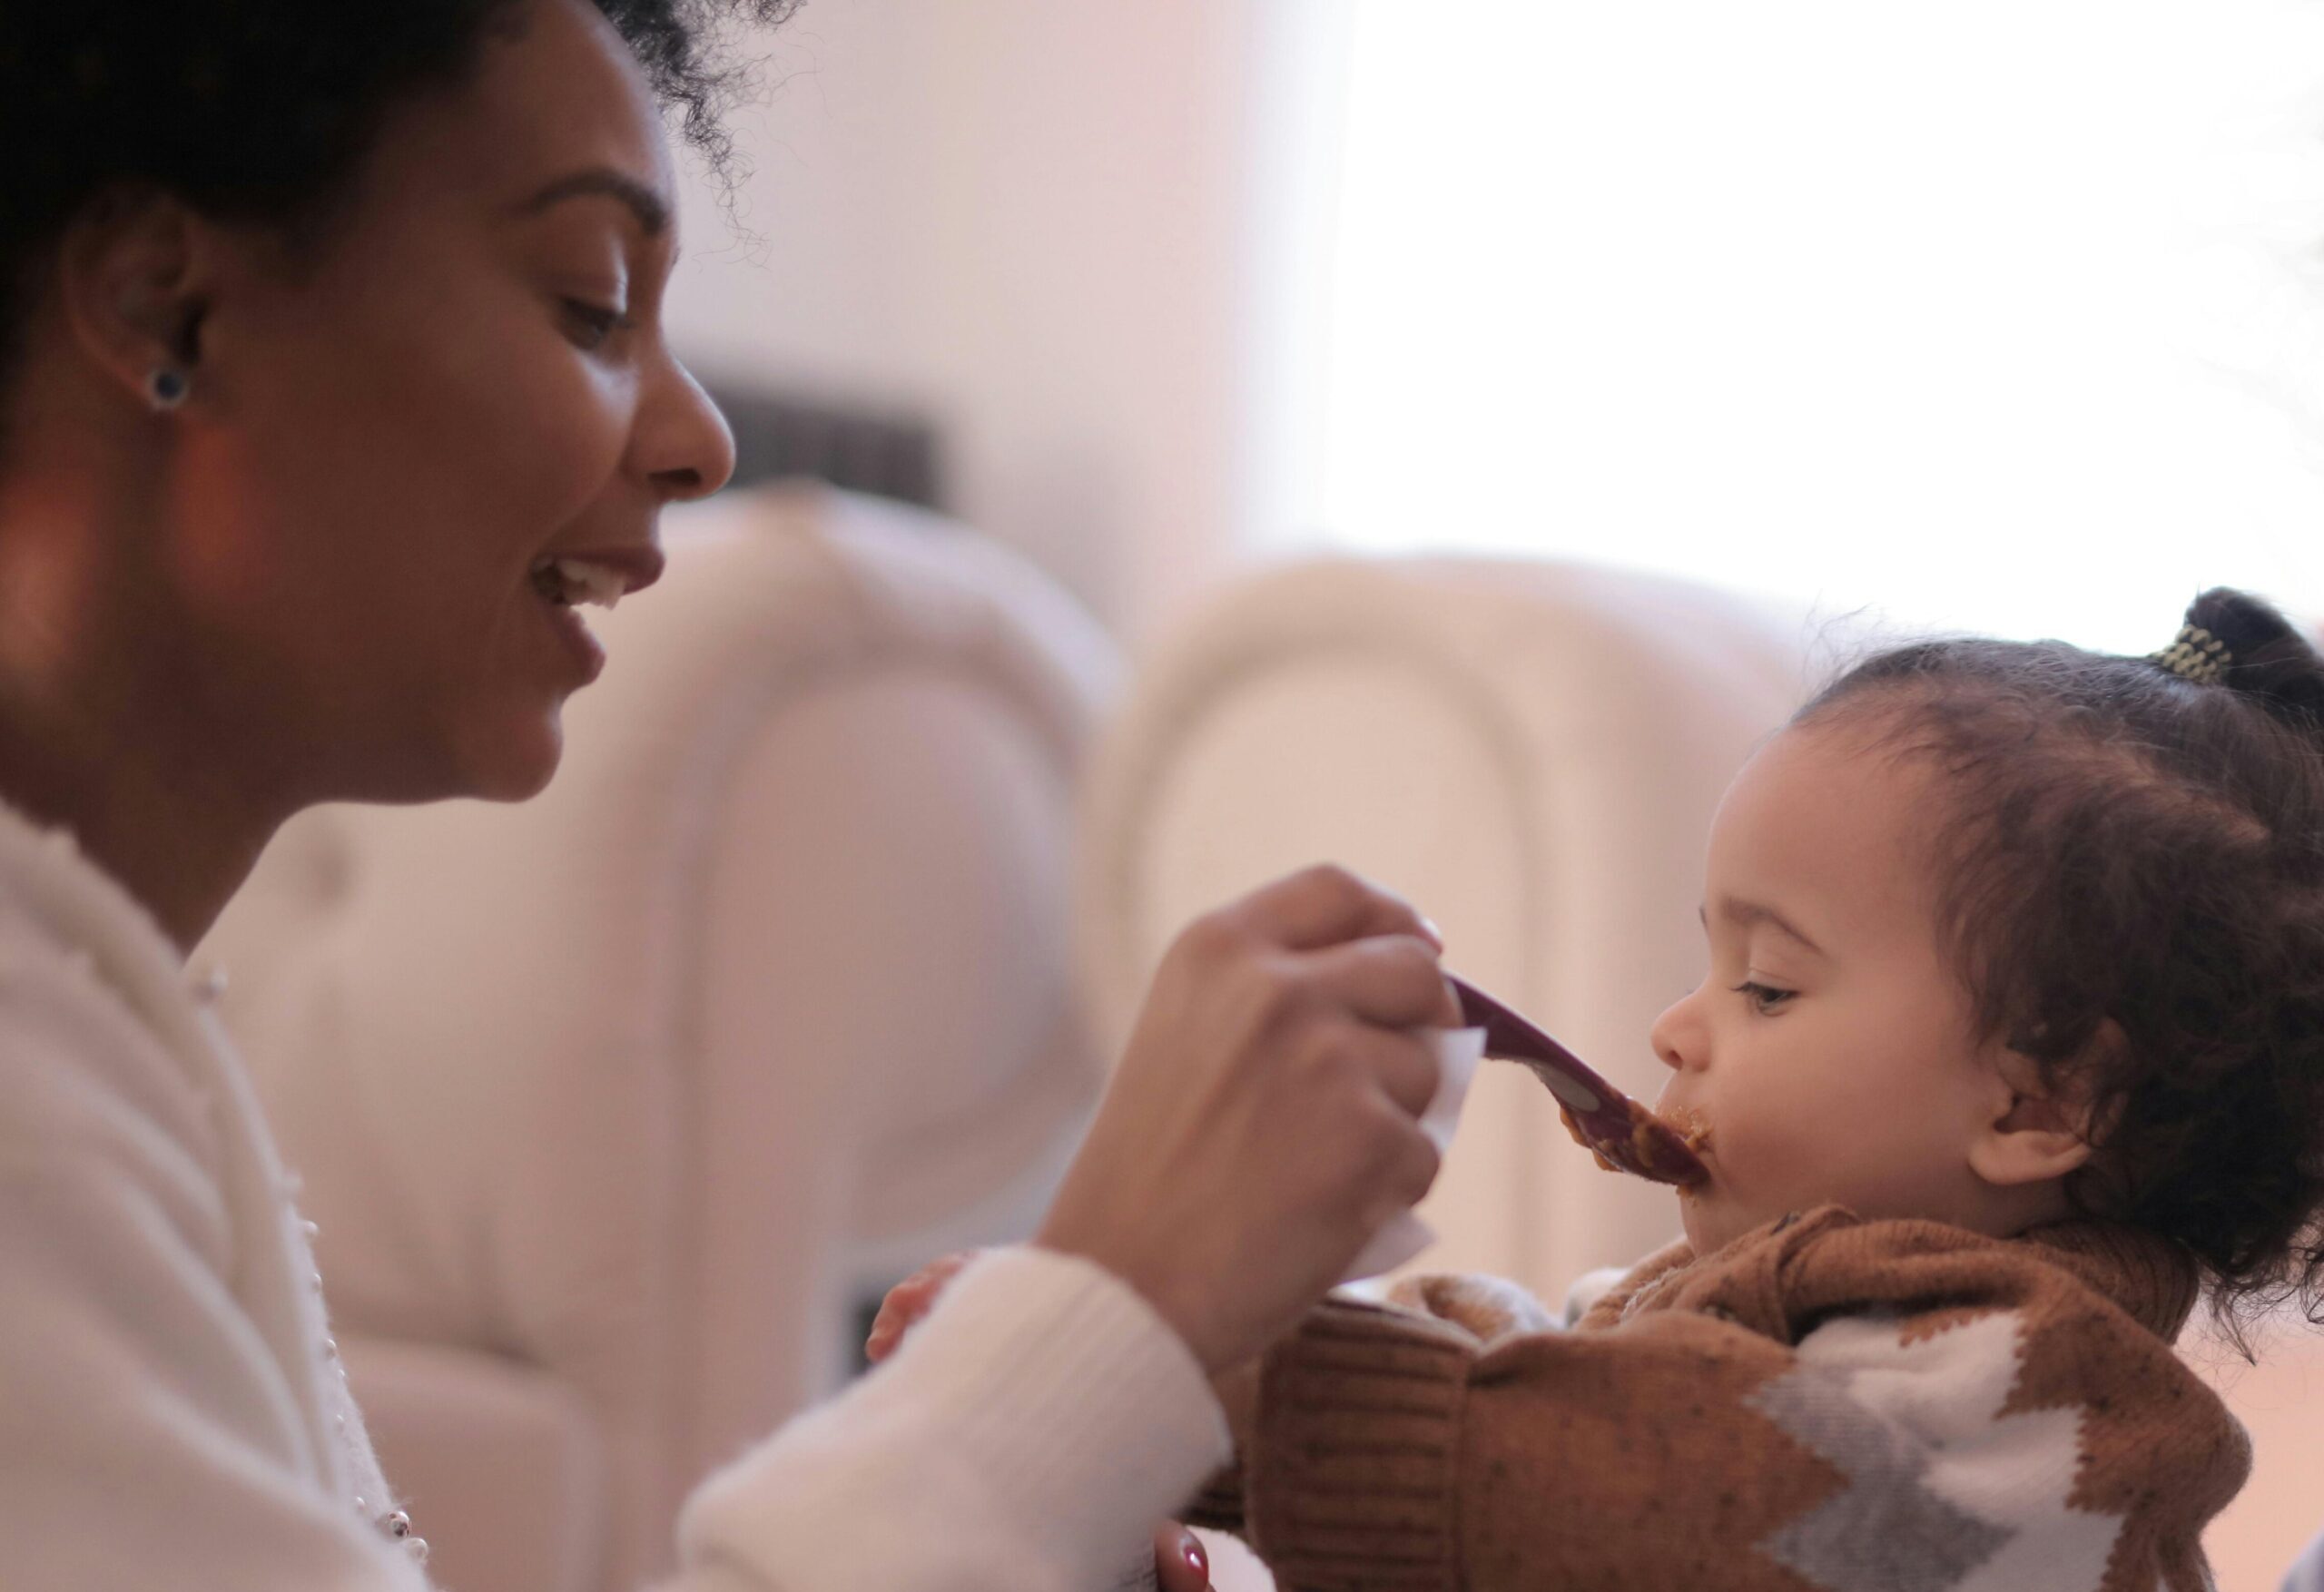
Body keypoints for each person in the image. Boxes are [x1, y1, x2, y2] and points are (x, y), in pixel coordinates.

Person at [0, 5, 1461, 1589]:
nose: (702, 439)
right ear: (171, 306)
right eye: (590, 303)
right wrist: (1115, 1313)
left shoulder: (111, 1052)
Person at [881, 587, 2324, 1590]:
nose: (1676, 1027)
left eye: (1769, 983)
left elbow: (1673, 1486)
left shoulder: (2047, 1415)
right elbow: (1524, 1350)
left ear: (2040, 1104)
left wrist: (1223, 1383)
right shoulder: (1755, 1318)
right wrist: (1137, 1400)